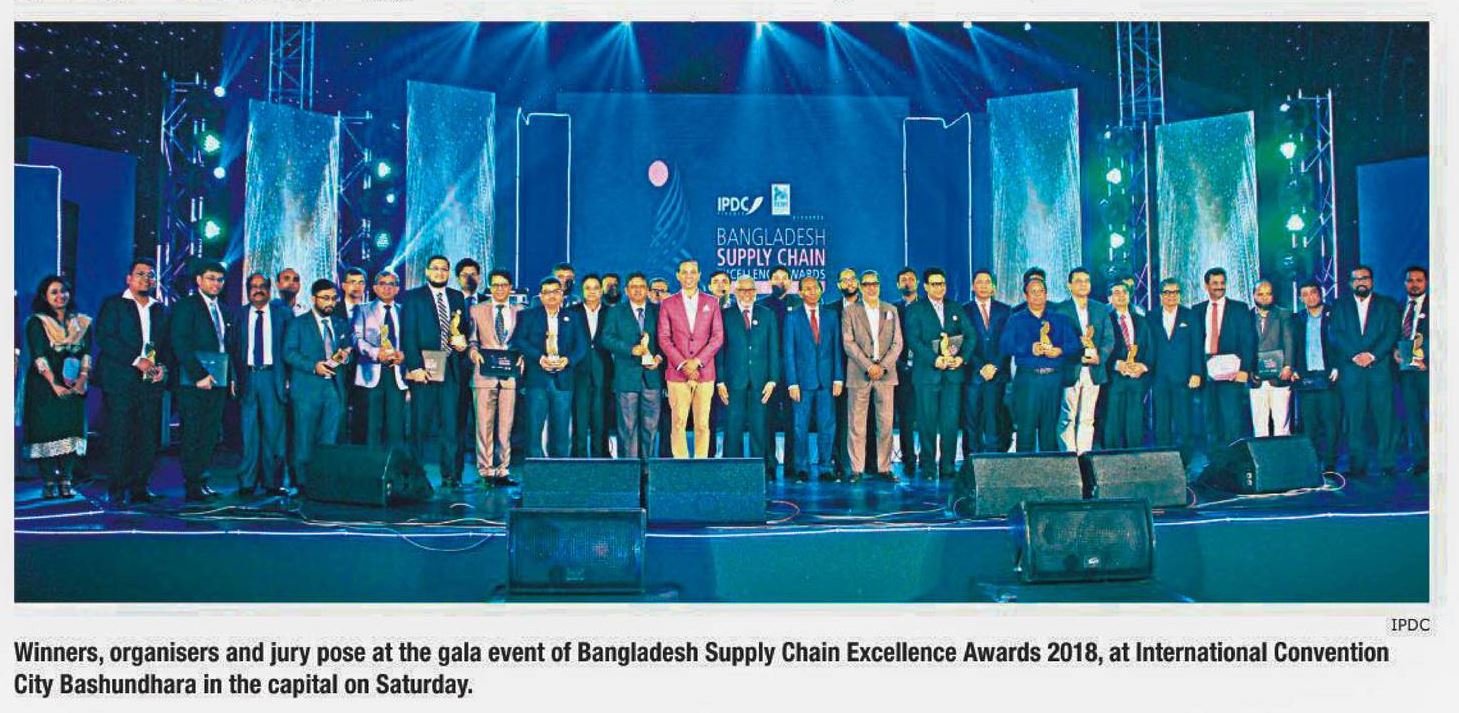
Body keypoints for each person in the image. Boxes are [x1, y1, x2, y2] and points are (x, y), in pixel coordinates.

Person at [94, 259, 169, 505]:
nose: (146, 279)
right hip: (120, 380)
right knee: (120, 435)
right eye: (140, 274)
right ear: (129, 278)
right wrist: (137, 360)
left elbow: (166, 344)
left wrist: (162, 367)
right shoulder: (114, 304)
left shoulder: (160, 309)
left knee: (147, 436)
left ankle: (140, 488)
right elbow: (105, 338)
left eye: (150, 275)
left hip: (150, 382)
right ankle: (116, 488)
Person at [400, 255, 470, 487]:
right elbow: (408, 335)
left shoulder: (457, 297)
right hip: (424, 369)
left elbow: (462, 329)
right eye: (436, 269)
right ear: (427, 272)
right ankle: (416, 475)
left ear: (449, 273)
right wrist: (414, 367)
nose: (440, 273)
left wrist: (462, 343)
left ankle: (450, 476)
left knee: (450, 426)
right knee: (420, 426)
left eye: (444, 269)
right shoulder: (413, 297)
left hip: (450, 367)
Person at [22, 276, 92, 499]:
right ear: (44, 296)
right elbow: (39, 356)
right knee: (47, 431)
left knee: (70, 431)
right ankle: (49, 481)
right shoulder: (37, 322)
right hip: (44, 386)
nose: (60, 296)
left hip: (73, 383)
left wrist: (82, 380)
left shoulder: (81, 322)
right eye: (54, 292)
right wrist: (54, 384)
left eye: (63, 291)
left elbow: (87, 354)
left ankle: (67, 479)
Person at [283, 279, 353, 495]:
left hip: (333, 389)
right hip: (307, 389)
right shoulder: (298, 323)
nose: (330, 302)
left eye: (333, 298)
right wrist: (314, 366)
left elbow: (347, 352)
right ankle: (302, 483)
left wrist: (345, 356)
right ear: (313, 298)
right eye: (325, 298)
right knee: (304, 438)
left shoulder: (340, 324)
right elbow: (289, 353)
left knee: (329, 439)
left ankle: (324, 482)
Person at [170, 260, 232, 502]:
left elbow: (227, 347)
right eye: (211, 278)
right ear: (199, 280)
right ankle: (192, 483)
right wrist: (198, 375)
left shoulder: (224, 309)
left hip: (218, 380)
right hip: (193, 382)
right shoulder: (186, 306)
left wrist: (230, 377)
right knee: (193, 432)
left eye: (220, 279)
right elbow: (180, 343)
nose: (216, 283)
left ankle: (203, 479)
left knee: (210, 433)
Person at [1330, 264, 1400, 476]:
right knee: (1355, 420)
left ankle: (1387, 463)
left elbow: (1391, 333)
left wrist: (1371, 355)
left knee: (1385, 419)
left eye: (1365, 278)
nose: (1361, 282)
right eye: (1357, 279)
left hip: (1379, 369)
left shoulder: (1387, 305)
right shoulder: (1340, 306)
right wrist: (1355, 355)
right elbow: (1336, 334)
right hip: (1352, 371)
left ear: (1372, 281)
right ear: (1350, 283)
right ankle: (1357, 465)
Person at [1000, 276, 1080, 452]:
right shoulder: (1016, 319)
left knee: (1050, 429)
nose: (1037, 295)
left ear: (1046, 294)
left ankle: (1049, 467)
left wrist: (1059, 350)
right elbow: (1005, 345)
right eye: (1033, 292)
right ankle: (1025, 466)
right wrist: (1029, 348)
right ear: (1026, 296)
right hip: (1028, 379)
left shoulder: (1060, 319)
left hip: (1053, 379)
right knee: (1026, 428)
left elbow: (1075, 345)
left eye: (1041, 291)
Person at [228, 273, 290, 496]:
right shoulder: (239, 315)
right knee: (248, 433)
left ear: (269, 290)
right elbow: (231, 349)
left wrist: (288, 378)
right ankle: (247, 482)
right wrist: (233, 377)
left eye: (262, 286)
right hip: (248, 377)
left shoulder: (283, 315)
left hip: (273, 377)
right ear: (247, 290)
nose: (258, 290)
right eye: (253, 286)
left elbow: (290, 348)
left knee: (274, 434)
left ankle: (273, 483)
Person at [903, 267, 969, 477]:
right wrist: (935, 359)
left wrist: (961, 358)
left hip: (952, 376)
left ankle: (948, 466)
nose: (939, 288)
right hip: (926, 376)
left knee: (950, 423)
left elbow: (971, 336)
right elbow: (913, 340)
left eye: (942, 284)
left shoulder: (956, 307)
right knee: (927, 423)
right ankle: (928, 466)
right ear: (925, 286)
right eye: (934, 284)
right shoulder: (915, 309)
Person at [512, 276, 587, 458]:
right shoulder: (528, 316)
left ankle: (559, 471)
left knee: (561, 432)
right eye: (547, 292)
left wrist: (567, 360)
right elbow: (519, 340)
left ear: (562, 295)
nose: (552, 296)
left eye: (556, 292)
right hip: (537, 379)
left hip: (563, 379)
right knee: (533, 431)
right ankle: (536, 471)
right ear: (541, 296)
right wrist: (539, 358)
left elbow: (582, 346)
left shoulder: (574, 317)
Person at [657, 258, 725, 458]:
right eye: (684, 272)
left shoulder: (712, 302)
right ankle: (681, 465)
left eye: (693, 272)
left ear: (699, 275)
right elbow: (664, 338)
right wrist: (683, 364)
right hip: (677, 373)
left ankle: (700, 464)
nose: (689, 276)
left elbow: (717, 337)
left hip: (705, 372)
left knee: (702, 424)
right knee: (678, 422)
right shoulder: (667, 303)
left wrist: (697, 362)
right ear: (678, 275)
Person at [716, 275, 781, 477]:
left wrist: (773, 379)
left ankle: (758, 471)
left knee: (760, 427)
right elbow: (719, 351)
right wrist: (720, 380)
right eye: (742, 290)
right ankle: (732, 471)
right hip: (733, 381)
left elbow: (774, 349)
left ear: (756, 292)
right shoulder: (725, 316)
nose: (746, 294)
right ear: (736, 292)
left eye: (750, 290)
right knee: (733, 427)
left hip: (761, 382)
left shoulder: (767, 315)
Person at [841, 270, 903, 481]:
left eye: (874, 284)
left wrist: (882, 366)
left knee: (885, 424)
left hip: (886, 374)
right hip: (860, 373)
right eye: (867, 284)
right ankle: (856, 469)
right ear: (860, 287)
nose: (871, 288)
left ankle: (884, 468)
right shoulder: (850, 311)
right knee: (857, 425)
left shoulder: (891, 310)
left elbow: (897, 343)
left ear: (879, 285)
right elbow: (848, 342)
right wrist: (868, 366)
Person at [783, 276, 844, 481]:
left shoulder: (831, 315)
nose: (812, 291)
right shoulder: (792, 317)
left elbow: (837, 349)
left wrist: (838, 378)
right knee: (800, 426)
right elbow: (789, 352)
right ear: (800, 293)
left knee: (827, 426)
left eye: (815, 287)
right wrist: (792, 382)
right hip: (802, 382)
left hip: (827, 381)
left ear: (821, 290)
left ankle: (826, 467)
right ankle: (801, 467)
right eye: (807, 289)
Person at [467, 268, 521, 483]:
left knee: (506, 425)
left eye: (504, 285)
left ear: (510, 288)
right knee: (483, 424)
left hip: (509, 375)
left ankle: (503, 469)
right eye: (495, 285)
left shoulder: (520, 311)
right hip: (484, 373)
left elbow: (523, 341)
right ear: (489, 287)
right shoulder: (476, 310)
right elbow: (472, 341)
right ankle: (485, 470)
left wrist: (522, 357)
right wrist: (474, 353)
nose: (499, 289)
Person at [603, 273, 665, 460]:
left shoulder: (658, 311)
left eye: (641, 286)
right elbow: (607, 338)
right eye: (633, 287)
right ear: (626, 290)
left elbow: (666, 339)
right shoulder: (616, 312)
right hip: (626, 377)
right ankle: (629, 470)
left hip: (652, 378)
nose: (638, 290)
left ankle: (647, 468)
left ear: (647, 290)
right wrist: (630, 350)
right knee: (627, 428)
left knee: (650, 427)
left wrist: (659, 358)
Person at [1192, 267, 1255, 451]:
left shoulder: (1239, 308)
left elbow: (1248, 341)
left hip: (1232, 373)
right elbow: (1193, 344)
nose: (1219, 287)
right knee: (1210, 421)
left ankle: (1233, 462)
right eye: (1215, 283)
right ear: (1206, 285)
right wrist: (1196, 372)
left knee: (1232, 420)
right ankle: (1215, 462)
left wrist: (1244, 370)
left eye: (1222, 283)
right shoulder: (1197, 310)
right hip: (1206, 373)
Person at [1052, 267, 1113, 454]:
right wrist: (1078, 351)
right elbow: (1057, 340)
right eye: (1078, 281)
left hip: (1094, 370)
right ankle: (1070, 457)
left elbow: (1109, 338)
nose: (1083, 284)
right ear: (1069, 285)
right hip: (1071, 368)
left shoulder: (1100, 309)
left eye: (1086, 281)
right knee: (1067, 417)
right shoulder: (1060, 310)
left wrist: (1099, 356)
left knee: (1088, 417)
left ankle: (1084, 456)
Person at [351, 270, 409, 451]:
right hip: (371, 374)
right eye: (382, 283)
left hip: (397, 375)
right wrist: (375, 353)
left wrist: (405, 354)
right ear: (375, 288)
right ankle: (371, 465)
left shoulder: (404, 311)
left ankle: (394, 465)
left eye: (391, 284)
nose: (387, 288)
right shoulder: (362, 309)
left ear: (397, 289)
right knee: (371, 426)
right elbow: (356, 339)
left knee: (396, 428)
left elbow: (411, 339)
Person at [1148, 278, 1202, 460]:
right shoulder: (1151, 317)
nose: (1172, 296)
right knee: (1161, 421)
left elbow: (1197, 346)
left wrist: (1196, 372)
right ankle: (1163, 460)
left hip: (1184, 377)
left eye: (1175, 292)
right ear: (1160, 295)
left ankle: (1185, 462)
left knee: (1184, 421)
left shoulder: (1190, 316)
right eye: (1167, 292)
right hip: (1159, 377)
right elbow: (1148, 346)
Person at [826, 267, 873, 478]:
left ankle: (867, 464)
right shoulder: (829, 310)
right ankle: (841, 464)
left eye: (853, 278)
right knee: (840, 419)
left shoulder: (871, 307)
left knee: (865, 420)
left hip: (865, 372)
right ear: (838, 285)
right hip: (837, 374)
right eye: (844, 280)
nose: (850, 283)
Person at [1291, 280, 1340, 472]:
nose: (1310, 297)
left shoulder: (1334, 314)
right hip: (1306, 378)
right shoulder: (1298, 318)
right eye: (1305, 294)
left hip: (1329, 376)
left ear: (1320, 293)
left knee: (1330, 423)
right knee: (1309, 425)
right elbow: (1293, 345)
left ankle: (1330, 464)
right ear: (1300, 298)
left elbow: (1341, 342)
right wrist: (1294, 368)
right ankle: (1312, 464)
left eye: (1313, 292)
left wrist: (1336, 366)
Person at [962, 268, 1011, 456]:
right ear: (972, 286)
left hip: (997, 374)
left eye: (987, 282)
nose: (983, 286)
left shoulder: (1005, 310)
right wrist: (980, 366)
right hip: (973, 373)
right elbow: (963, 342)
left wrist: (994, 366)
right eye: (979, 282)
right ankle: (971, 462)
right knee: (971, 420)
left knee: (994, 418)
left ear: (993, 287)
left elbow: (1007, 341)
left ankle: (994, 462)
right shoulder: (964, 310)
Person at [761, 265, 801, 474]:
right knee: (767, 419)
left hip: (794, 372)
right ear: (770, 281)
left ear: (790, 281)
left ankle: (792, 466)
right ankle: (768, 464)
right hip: (769, 371)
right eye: (776, 277)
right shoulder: (761, 306)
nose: (780, 281)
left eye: (784, 277)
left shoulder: (800, 304)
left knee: (793, 420)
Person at [1103, 281, 1151, 449]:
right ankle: (1111, 460)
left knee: (1135, 423)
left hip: (1137, 379)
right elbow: (1100, 348)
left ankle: (1134, 459)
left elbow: (1150, 348)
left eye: (1124, 292)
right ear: (1109, 298)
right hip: (1114, 379)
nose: (1121, 295)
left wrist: (1143, 367)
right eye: (1116, 292)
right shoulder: (1104, 321)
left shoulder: (1142, 321)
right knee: (1112, 423)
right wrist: (1116, 364)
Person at [570, 274, 613, 457]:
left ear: (601, 290)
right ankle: (578, 458)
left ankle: (601, 457)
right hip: (579, 370)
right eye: (588, 288)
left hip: (603, 369)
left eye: (596, 288)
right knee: (579, 416)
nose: (592, 292)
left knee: (600, 415)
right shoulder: (572, 312)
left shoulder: (611, 312)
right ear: (582, 291)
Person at [1249, 280, 1296, 437]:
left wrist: (1288, 366)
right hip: (1256, 378)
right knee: (1259, 425)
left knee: (1282, 425)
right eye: (1260, 294)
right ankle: (1262, 454)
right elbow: (1244, 346)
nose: (1264, 297)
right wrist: (1249, 370)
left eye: (1268, 294)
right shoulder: (1247, 316)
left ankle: (1282, 453)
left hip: (1280, 376)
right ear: (1253, 295)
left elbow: (1289, 341)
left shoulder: (1284, 314)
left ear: (1273, 295)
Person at [1395, 266, 1428, 475]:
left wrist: (1429, 360)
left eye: (1419, 280)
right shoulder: (1399, 307)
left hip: (1430, 371)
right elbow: (1394, 334)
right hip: (1406, 372)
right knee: (1413, 417)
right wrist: (1395, 350)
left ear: (1426, 283)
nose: (1414, 284)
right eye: (1410, 280)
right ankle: (1420, 460)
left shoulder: (1440, 304)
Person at [454, 258, 485, 472]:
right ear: (458, 278)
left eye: (473, 274)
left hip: (484, 369)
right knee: (457, 421)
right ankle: (455, 471)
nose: (469, 278)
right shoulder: (450, 302)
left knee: (483, 422)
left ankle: (485, 468)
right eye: (464, 274)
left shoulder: (488, 302)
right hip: (457, 369)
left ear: (480, 278)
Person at [892, 266, 920, 473]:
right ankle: (908, 458)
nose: (907, 282)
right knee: (905, 417)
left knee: (927, 416)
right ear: (897, 285)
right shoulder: (892, 309)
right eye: (903, 280)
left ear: (917, 283)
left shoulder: (928, 307)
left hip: (925, 368)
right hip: (900, 370)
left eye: (911, 279)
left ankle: (928, 458)